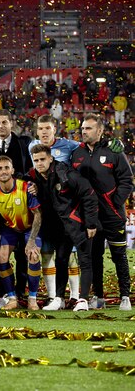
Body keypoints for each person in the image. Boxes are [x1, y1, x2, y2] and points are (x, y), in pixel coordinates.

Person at [72, 114, 133, 311]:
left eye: (88, 128)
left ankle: (125, 296)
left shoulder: (114, 151)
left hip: (113, 216)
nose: (84, 132)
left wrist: (115, 203)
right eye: (82, 128)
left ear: (99, 131)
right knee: (95, 256)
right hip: (91, 218)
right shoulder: (77, 153)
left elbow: (126, 180)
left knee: (119, 256)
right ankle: (98, 296)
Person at [28, 144, 99, 311]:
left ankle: (83, 300)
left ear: (51, 158)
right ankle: (59, 298)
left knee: (85, 261)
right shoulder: (36, 177)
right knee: (61, 260)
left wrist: (90, 223)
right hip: (60, 228)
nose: (39, 163)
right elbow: (19, 177)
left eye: (42, 159)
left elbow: (89, 194)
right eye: (36, 160)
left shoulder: (65, 174)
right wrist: (30, 183)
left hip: (79, 224)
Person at [28, 114, 82, 303]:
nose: (44, 132)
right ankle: (53, 297)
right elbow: (34, 172)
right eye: (41, 128)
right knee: (47, 254)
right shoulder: (32, 147)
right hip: (47, 208)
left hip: (67, 208)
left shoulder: (69, 145)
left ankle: (75, 296)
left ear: (54, 129)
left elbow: (85, 153)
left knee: (70, 256)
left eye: (47, 128)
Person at [0, 155, 43, 310]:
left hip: (29, 227)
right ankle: (12, 298)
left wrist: (32, 240)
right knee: (1, 257)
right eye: (0, 168)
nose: (4, 171)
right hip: (10, 228)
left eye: (7, 167)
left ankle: (32, 299)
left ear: (12, 170)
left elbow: (38, 214)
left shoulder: (25, 187)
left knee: (33, 255)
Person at [0, 110, 33, 177]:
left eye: (4, 122)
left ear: (11, 123)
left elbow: (30, 168)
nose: (1, 126)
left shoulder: (24, 143)